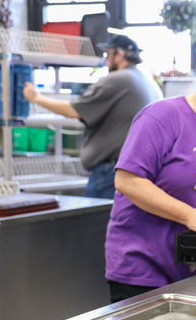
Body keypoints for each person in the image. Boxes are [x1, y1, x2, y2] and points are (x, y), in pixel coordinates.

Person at [104, 52, 196, 303]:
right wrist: (189, 215)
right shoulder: (162, 117)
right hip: (143, 267)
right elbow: (127, 180)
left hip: (194, 269)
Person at [23, 34, 163, 199]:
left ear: (119, 56)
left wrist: (36, 98)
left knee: (96, 222)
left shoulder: (118, 80)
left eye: (108, 54)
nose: (106, 60)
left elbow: (73, 110)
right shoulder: (147, 82)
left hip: (111, 173)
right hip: (140, 169)